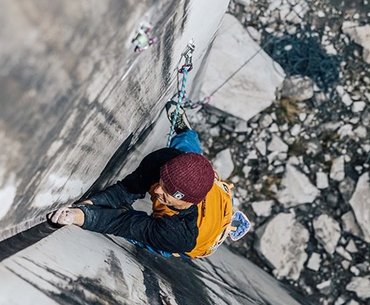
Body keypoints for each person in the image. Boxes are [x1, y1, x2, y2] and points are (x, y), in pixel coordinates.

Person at [48, 102, 236, 258]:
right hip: (210, 192)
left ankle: (186, 141)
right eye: (162, 182)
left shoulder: (179, 235)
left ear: (186, 200)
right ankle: (185, 131)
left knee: (149, 238)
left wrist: (81, 216)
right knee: (187, 155)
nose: (157, 191)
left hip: (202, 237)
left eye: (168, 191)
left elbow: (123, 224)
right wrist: (90, 203)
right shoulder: (164, 161)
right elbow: (126, 190)